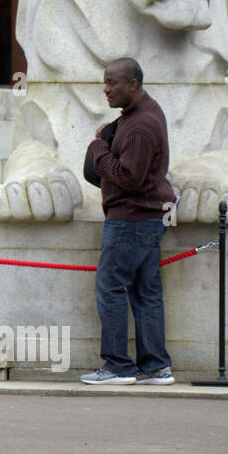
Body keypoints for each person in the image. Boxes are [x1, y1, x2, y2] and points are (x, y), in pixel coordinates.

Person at [80, 58, 178, 385]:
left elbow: (129, 178)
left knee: (111, 287)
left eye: (113, 83)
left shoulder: (139, 125)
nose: (106, 89)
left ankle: (118, 367)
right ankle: (155, 367)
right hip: (148, 217)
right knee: (146, 292)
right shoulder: (141, 115)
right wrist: (110, 135)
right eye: (105, 82)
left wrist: (97, 148)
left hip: (130, 220)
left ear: (132, 84)